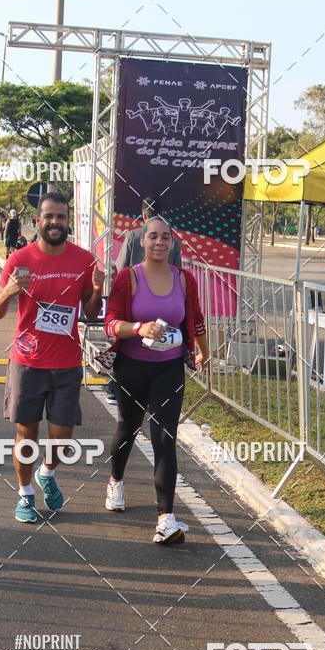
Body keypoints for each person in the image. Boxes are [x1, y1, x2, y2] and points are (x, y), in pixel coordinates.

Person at [0, 191, 104, 524]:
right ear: (37, 220)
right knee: (26, 434)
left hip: (67, 362)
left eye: (61, 217)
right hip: (27, 362)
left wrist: (97, 290)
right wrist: (10, 291)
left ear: (68, 222)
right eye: (49, 216)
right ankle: (25, 493)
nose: (55, 222)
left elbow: (90, 313)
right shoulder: (19, 260)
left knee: (62, 439)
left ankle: (47, 473)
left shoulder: (83, 260)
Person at [102, 215, 208, 544]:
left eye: (165, 237)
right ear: (142, 241)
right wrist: (139, 328)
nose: (159, 242)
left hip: (169, 368)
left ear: (172, 243)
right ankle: (116, 481)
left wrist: (204, 352)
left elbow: (196, 318)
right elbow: (111, 323)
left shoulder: (185, 279)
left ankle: (166, 519)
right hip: (132, 367)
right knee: (128, 428)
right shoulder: (128, 278)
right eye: (153, 236)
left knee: (164, 437)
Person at [108, 198, 182, 406]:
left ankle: (116, 388)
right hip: (163, 306)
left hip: (134, 306)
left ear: (144, 215)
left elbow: (121, 268)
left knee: (130, 347)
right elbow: (178, 271)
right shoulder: (172, 240)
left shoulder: (133, 235)